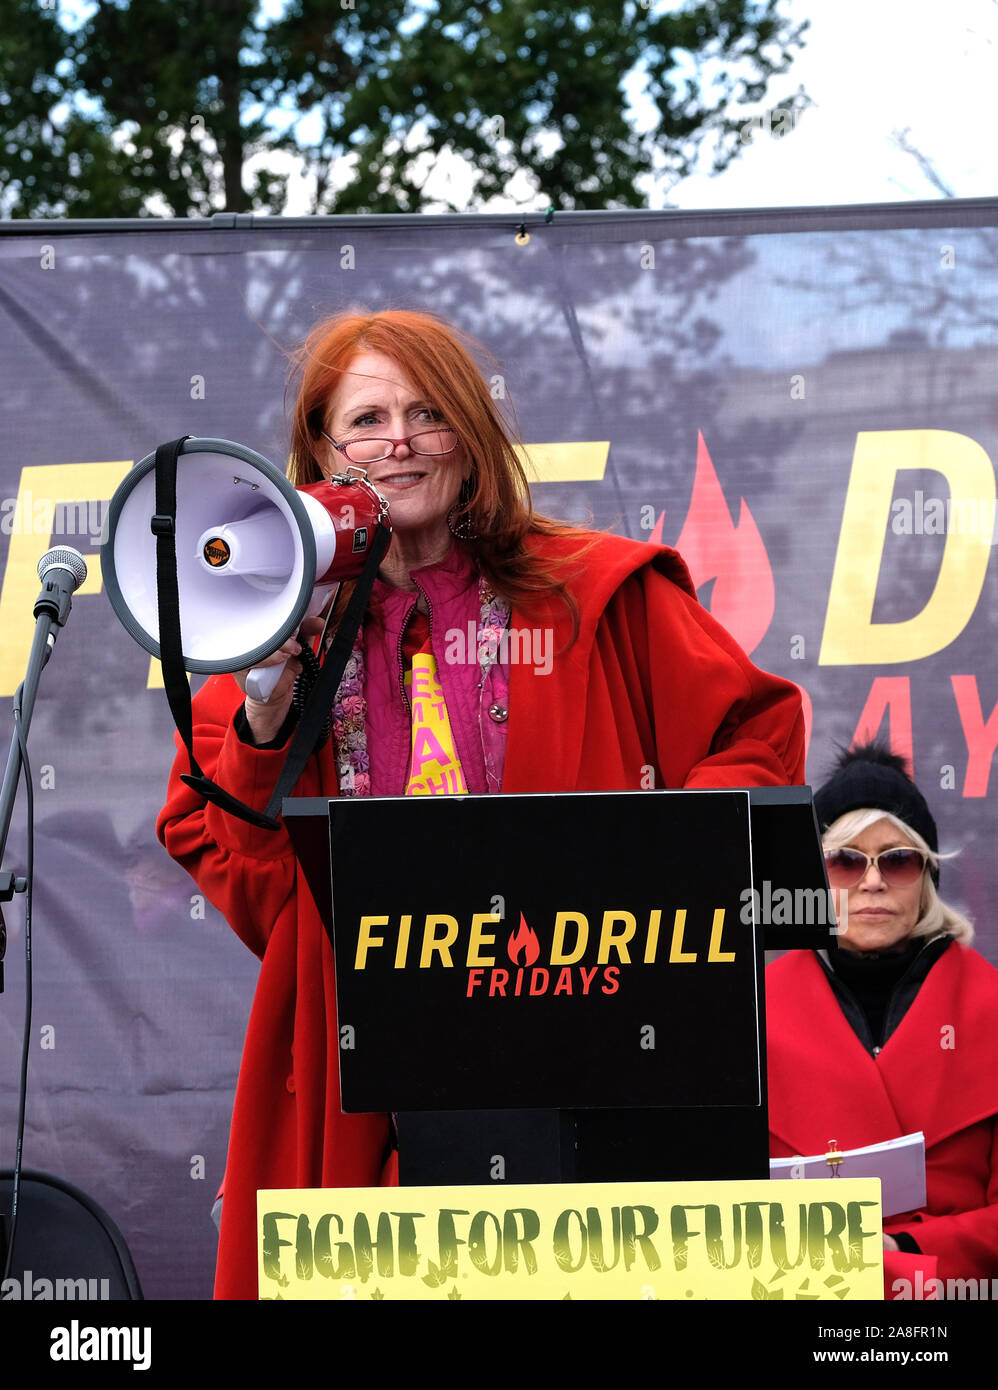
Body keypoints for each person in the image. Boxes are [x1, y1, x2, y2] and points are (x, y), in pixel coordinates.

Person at [158, 308, 806, 1299]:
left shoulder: (600, 590)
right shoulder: (267, 631)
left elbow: (753, 744)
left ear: (472, 434)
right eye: (366, 419)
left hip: (592, 1044)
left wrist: (630, 872)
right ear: (319, 455)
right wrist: (267, 702)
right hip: (364, 1098)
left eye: (428, 412)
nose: (401, 441)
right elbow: (251, 886)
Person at [766, 742, 998, 1299]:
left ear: (925, 877)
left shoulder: (991, 1004)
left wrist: (906, 1255)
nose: (871, 882)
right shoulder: (750, 1012)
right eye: (845, 860)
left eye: (897, 859)